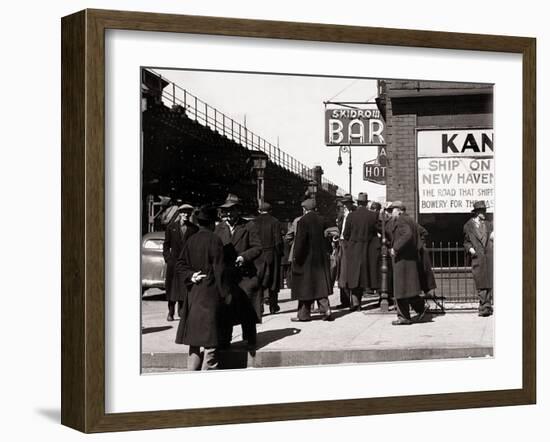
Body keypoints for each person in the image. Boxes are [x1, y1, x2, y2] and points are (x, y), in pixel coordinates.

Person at [174, 206, 230, 370]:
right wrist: (226, 294)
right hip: (210, 294)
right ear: (212, 223)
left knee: (195, 340)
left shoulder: (191, 240)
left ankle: (191, 375)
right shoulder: (215, 240)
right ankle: (207, 377)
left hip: (194, 294)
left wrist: (191, 275)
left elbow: (180, 264)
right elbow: (220, 270)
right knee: (210, 341)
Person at [214, 194, 262, 349]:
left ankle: (250, 339)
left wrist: (243, 257)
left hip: (244, 275)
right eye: (225, 211)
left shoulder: (249, 226)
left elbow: (257, 247)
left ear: (238, 211)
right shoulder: (219, 228)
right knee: (226, 307)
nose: (227, 214)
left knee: (247, 307)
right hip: (227, 275)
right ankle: (224, 339)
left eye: (231, 211)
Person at [290, 199, 334, 322]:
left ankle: (303, 315)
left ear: (304, 209)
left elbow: (300, 242)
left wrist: (296, 258)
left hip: (306, 259)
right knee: (320, 285)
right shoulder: (322, 219)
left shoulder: (303, 221)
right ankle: (326, 310)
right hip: (320, 258)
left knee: (305, 287)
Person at [386, 201, 429, 325]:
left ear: (399, 210)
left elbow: (407, 234)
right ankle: (420, 307)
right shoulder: (410, 220)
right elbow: (420, 233)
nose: (391, 212)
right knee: (408, 288)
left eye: (392, 210)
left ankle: (404, 317)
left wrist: (396, 248)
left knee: (400, 289)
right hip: (410, 259)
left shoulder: (401, 220)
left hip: (402, 259)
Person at [343, 192, 379, 311]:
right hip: (368, 249)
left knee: (354, 275)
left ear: (358, 203)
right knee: (365, 275)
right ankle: (361, 300)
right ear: (366, 203)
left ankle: (355, 302)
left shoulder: (351, 216)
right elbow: (377, 232)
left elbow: (346, 234)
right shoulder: (373, 216)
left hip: (354, 249)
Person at [162, 203, 198, 321]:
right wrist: (168, 258)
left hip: (187, 263)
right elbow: (166, 244)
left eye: (188, 212)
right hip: (173, 263)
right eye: (183, 212)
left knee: (184, 286)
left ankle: (182, 312)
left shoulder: (194, 229)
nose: (185, 215)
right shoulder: (171, 227)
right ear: (179, 214)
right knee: (171, 287)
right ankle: (170, 312)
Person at [463, 201, 494, 317]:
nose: (484, 213)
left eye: (485, 211)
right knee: (480, 282)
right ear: (477, 213)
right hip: (477, 257)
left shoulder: (488, 224)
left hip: (489, 256)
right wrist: (471, 250)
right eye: (482, 211)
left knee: (489, 282)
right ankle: (483, 306)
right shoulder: (468, 226)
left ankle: (487, 306)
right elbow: (466, 242)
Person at [253, 202, 283, 314]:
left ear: (259, 210)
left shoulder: (253, 222)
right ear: (270, 210)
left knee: (259, 280)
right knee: (273, 280)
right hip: (272, 253)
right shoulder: (275, 222)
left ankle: (259, 307)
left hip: (257, 254)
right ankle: (273, 306)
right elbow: (278, 241)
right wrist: (279, 253)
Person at [335, 195, 354, 309]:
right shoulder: (341, 215)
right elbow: (339, 229)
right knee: (342, 273)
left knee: (349, 272)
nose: (345, 206)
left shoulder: (353, 215)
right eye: (343, 204)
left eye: (347, 204)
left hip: (350, 244)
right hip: (341, 243)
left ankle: (353, 300)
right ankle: (345, 300)